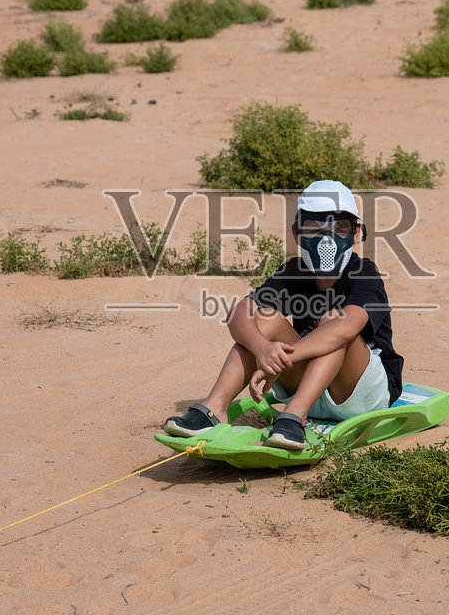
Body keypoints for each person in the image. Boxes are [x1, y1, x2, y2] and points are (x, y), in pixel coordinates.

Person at [164, 179, 403, 451]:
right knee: (262, 318)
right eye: (313, 227)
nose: (327, 240)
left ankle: (294, 415)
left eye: (340, 228)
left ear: (356, 234)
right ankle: (214, 407)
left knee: (334, 324)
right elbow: (239, 313)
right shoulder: (293, 272)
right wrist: (262, 348)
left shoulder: (365, 274)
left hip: (359, 393)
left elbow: (347, 328)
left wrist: (278, 360)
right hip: (311, 384)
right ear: (297, 233)